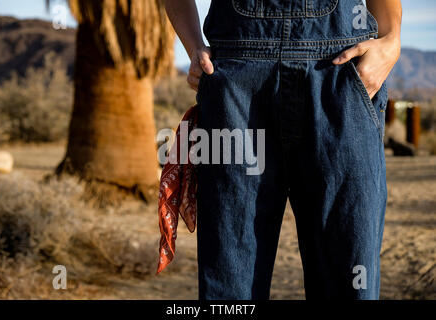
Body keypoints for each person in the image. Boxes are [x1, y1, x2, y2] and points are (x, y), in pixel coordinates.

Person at [165, 0, 402, 300]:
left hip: (339, 80)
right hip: (236, 87)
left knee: (349, 283)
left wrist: (392, 39)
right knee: (229, 289)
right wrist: (193, 45)